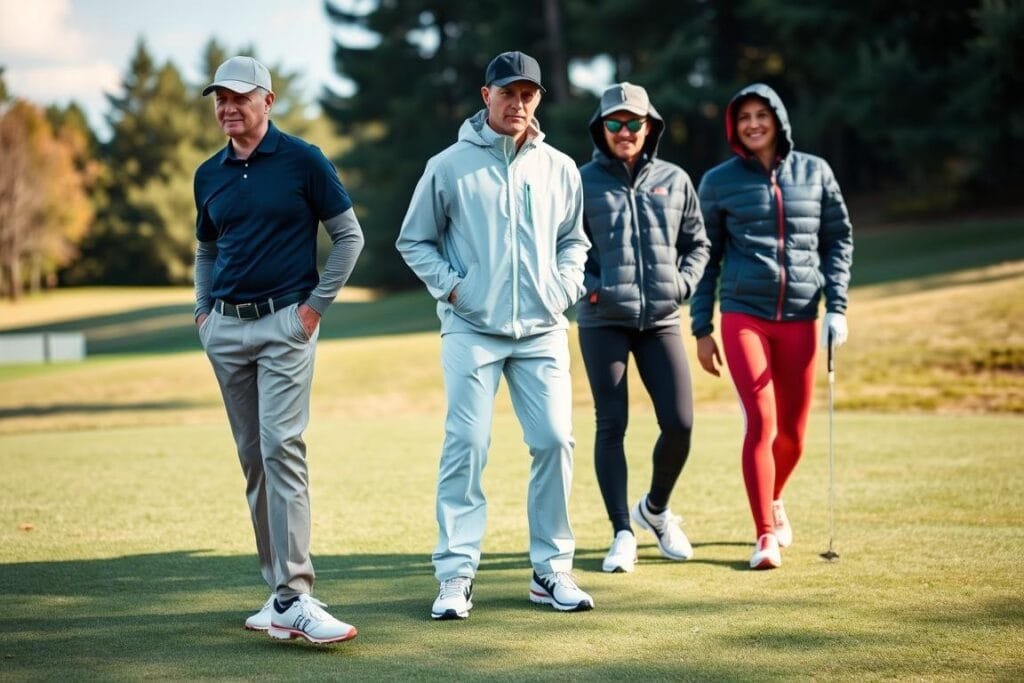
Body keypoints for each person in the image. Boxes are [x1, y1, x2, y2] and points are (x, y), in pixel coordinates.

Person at [396, 51, 594, 619]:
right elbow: (415, 241)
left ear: (538, 98)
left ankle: (550, 570)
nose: (518, 103)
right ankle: (456, 576)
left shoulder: (559, 167)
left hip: (541, 330)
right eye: (508, 92)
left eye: (528, 93)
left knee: (556, 439)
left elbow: (573, 241)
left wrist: (562, 288)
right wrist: (456, 291)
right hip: (471, 330)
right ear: (486, 96)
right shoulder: (448, 165)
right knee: (468, 445)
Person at [193, 56, 365, 642]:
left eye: (241, 97)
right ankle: (278, 594)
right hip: (226, 331)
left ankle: (295, 594)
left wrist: (314, 308)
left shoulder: (303, 161)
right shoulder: (208, 173)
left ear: (268, 101)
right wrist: (203, 313)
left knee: (281, 447)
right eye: (221, 98)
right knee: (254, 460)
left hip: (286, 326)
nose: (229, 108)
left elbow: (349, 237)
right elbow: (206, 249)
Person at [690, 83, 853, 570]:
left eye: (762, 114)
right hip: (743, 314)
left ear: (778, 119)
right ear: (734, 127)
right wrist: (703, 327)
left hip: (802, 316)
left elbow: (837, 239)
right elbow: (705, 257)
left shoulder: (815, 172)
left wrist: (837, 307)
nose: (753, 124)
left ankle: (774, 496)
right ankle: (764, 534)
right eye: (744, 118)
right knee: (761, 420)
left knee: (794, 435)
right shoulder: (719, 181)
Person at [577, 83, 710, 573]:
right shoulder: (580, 181)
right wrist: (590, 287)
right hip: (602, 320)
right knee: (612, 425)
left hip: (661, 319)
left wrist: (681, 285)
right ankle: (621, 533)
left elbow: (698, 244)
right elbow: (561, 246)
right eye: (615, 123)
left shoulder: (675, 180)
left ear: (649, 126)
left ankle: (654, 509)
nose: (625, 132)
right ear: (601, 128)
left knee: (680, 423)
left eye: (634, 123)